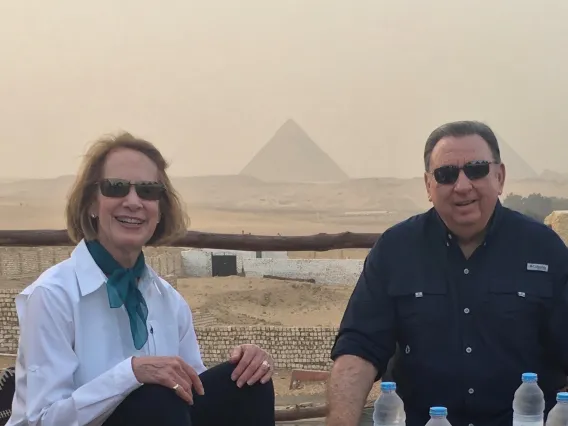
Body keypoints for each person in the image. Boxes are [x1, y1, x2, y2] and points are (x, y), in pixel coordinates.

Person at [6, 133, 276, 426]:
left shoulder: (168, 301)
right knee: (157, 399)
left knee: (248, 382)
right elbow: (40, 420)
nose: (133, 202)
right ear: (91, 204)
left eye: (148, 191)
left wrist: (248, 364)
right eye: (116, 187)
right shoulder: (53, 296)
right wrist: (130, 374)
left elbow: (195, 393)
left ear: (160, 210)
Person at [326, 121, 568, 426]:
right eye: (446, 174)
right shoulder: (395, 250)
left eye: (476, 169)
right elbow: (358, 349)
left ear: (500, 176)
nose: (462, 185)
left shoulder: (543, 249)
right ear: (429, 186)